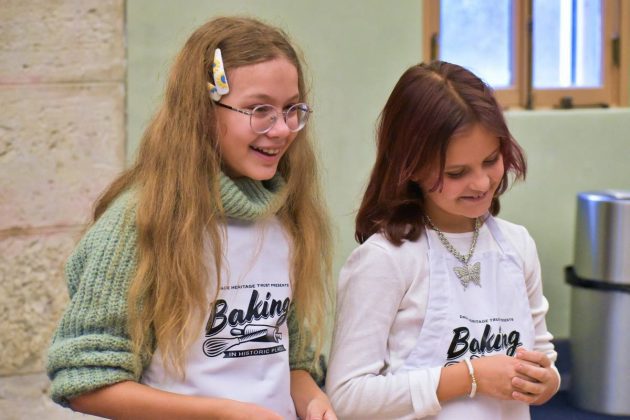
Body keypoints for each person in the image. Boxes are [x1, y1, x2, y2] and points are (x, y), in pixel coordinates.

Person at [47, 16, 337, 420]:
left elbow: (292, 361)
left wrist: (311, 400)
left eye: (292, 110)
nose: (283, 129)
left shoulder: (285, 215)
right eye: (259, 110)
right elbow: (86, 381)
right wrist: (222, 413)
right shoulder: (139, 221)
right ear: (203, 111)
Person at [325, 61, 560, 419]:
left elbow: (544, 357)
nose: (481, 183)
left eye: (491, 160)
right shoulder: (386, 259)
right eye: (457, 172)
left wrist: (547, 382)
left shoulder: (517, 246)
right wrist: (470, 377)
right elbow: (347, 398)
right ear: (411, 167)